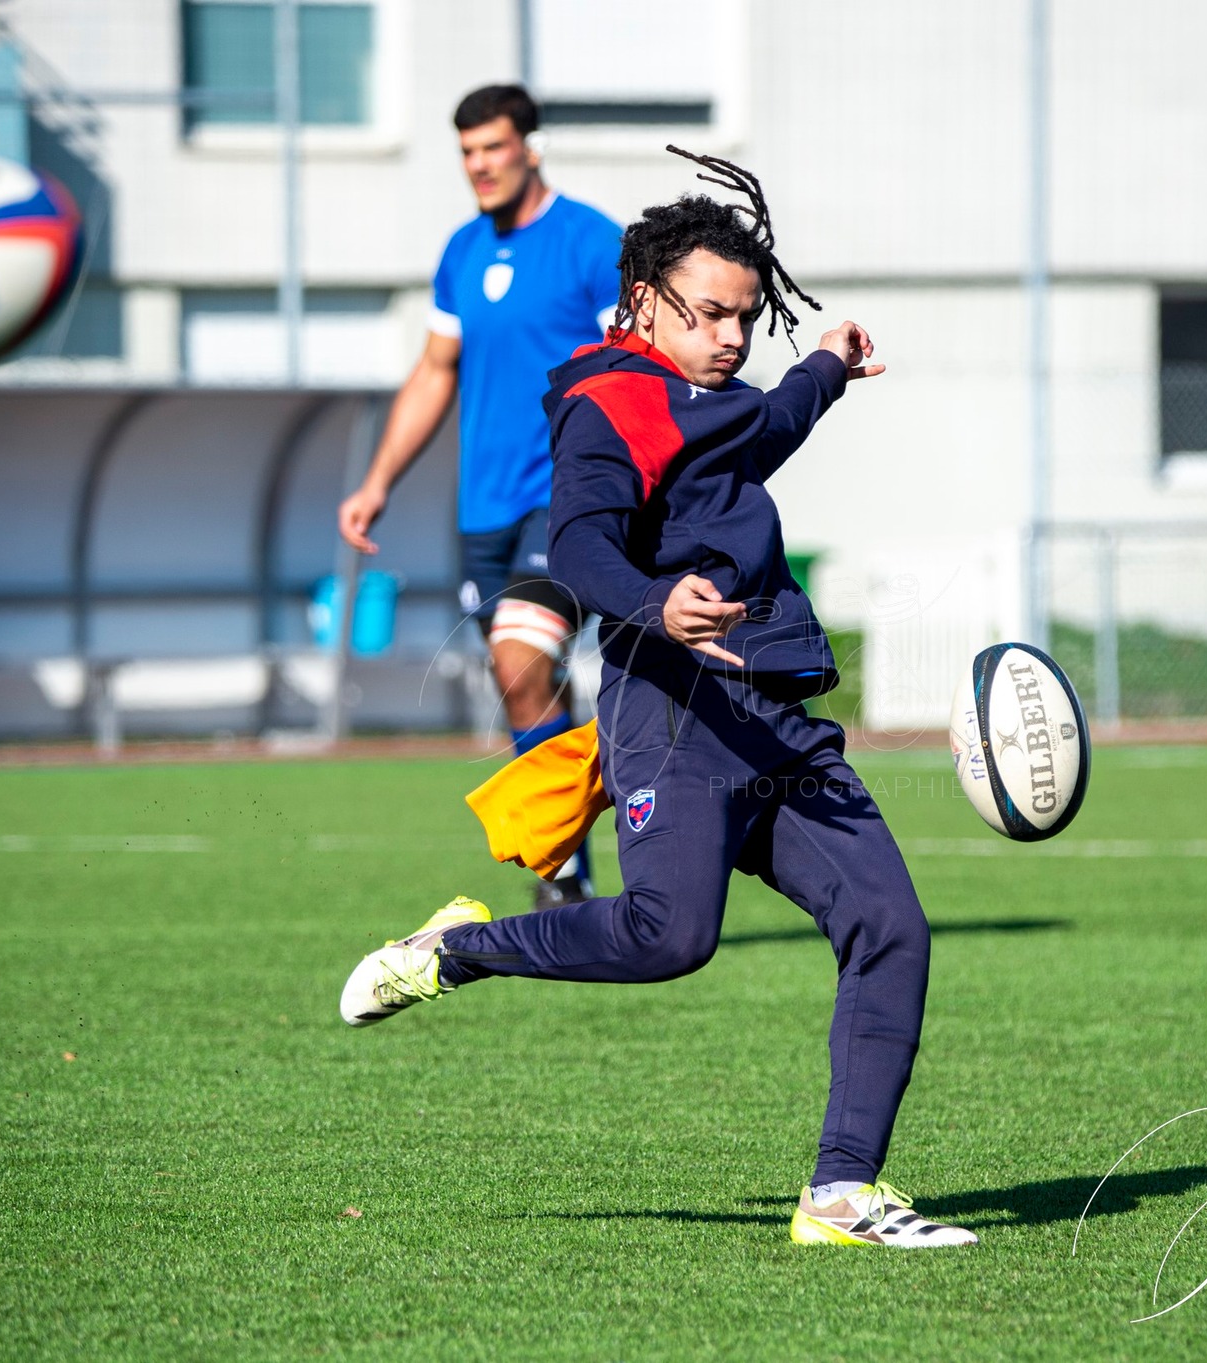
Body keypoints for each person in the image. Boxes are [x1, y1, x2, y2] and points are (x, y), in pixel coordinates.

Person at [339, 150, 978, 1249]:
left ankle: (840, 1195)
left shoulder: (719, 399)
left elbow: (767, 428)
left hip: (774, 713)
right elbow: (577, 541)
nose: (732, 336)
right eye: (710, 313)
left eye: (747, 316)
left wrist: (821, 363)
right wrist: (651, 601)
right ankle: (457, 951)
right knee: (667, 936)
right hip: (672, 709)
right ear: (642, 300)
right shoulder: (608, 398)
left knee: (891, 927)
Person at [337, 84, 621, 909]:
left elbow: (633, 369)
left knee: (517, 654)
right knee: (528, 682)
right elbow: (434, 372)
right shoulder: (463, 251)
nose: (480, 166)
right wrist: (376, 483)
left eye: (494, 148)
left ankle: (562, 873)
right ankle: (574, 855)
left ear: (530, 147)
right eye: (466, 153)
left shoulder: (589, 243)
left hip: (566, 499)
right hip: (483, 512)